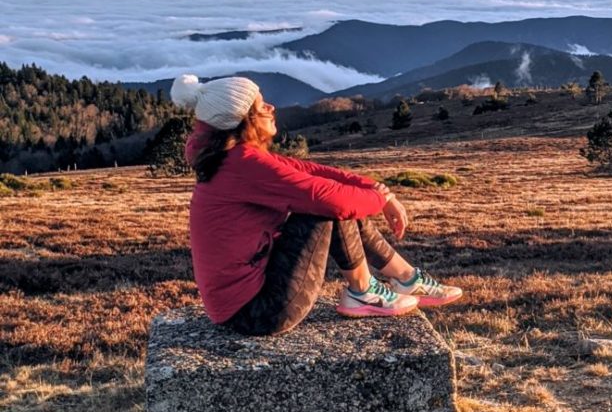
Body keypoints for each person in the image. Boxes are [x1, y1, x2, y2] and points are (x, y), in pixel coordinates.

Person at [171, 73, 462, 335]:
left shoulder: (233, 158)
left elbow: (309, 171)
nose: (271, 108)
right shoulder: (243, 163)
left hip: (242, 303)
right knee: (326, 205)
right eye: (261, 106)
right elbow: (328, 198)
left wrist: (375, 190)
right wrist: (378, 200)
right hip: (257, 313)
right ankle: (362, 291)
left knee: (332, 196)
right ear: (243, 121)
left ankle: (406, 278)